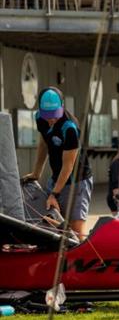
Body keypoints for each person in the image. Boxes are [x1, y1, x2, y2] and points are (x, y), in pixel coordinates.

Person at [23, 87, 92, 238]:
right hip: (56, 177)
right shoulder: (40, 118)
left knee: (75, 229)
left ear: (61, 106)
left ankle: (79, 257)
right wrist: (37, 172)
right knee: (49, 220)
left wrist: (54, 193)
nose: (51, 119)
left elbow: (68, 166)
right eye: (47, 115)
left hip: (77, 181)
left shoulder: (70, 127)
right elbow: (44, 143)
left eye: (54, 115)